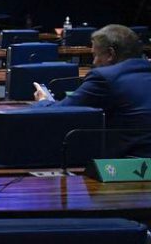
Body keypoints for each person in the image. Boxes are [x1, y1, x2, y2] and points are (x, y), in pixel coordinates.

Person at [34, 24, 151, 157]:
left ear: (110, 54)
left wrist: (43, 101)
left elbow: (61, 113)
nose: (94, 62)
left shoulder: (105, 77)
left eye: (95, 55)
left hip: (131, 165)